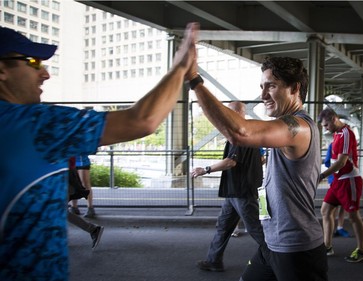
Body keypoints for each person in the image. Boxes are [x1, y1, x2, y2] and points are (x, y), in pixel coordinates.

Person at [0, 23, 198, 280]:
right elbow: (141, 120)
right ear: (2, 69)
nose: (45, 74)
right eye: (33, 62)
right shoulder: (36, 124)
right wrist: (181, 66)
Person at [188, 56, 328, 280]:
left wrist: (194, 80)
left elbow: (240, 132)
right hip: (272, 244)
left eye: (271, 86)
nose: (263, 96)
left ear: (295, 88)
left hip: (297, 250)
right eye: (262, 87)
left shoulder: (299, 126)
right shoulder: (284, 127)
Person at [191, 101, 265, 272]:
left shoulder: (240, 134)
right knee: (223, 226)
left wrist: (205, 169)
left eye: (228, 113)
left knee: (256, 229)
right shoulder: (247, 132)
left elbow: (231, 162)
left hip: (242, 191)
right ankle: (213, 260)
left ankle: (281, 263)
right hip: (235, 192)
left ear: (237, 113)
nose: (224, 117)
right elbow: (261, 159)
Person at [318, 108, 363, 262]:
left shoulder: (347, 133)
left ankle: (362, 250)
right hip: (338, 181)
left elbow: (342, 162)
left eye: (326, 125)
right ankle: (327, 246)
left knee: (353, 216)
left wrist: (321, 175)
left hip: (349, 180)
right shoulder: (337, 134)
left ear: (334, 119)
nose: (325, 128)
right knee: (325, 211)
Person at [323, 143, 350, 238]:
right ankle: (336, 227)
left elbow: (327, 162)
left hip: (345, 179)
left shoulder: (335, 144)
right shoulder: (333, 145)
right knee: (333, 206)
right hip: (335, 179)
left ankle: (338, 228)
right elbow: (327, 162)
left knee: (340, 205)